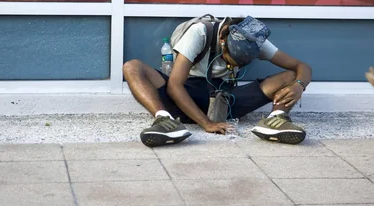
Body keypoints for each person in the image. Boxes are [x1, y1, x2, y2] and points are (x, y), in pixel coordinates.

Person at [123, 16, 312, 147]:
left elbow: (302, 66)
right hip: (185, 97)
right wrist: (206, 123)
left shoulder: (253, 39)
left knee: (290, 76)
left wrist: (299, 85)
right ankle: (164, 121)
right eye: (232, 59)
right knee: (132, 67)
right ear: (223, 39)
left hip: (226, 101)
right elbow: (174, 86)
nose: (234, 65)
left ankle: (275, 120)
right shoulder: (200, 32)